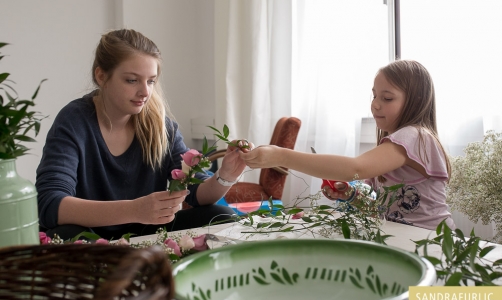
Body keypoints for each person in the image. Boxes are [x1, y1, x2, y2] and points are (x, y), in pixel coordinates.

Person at [36, 29, 252, 240]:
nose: (145, 92)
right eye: (132, 80)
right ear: (101, 76)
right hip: (92, 236)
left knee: (222, 216)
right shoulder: (74, 121)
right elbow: (49, 203)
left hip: (146, 234)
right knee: (63, 236)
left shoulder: (160, 125)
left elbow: (196, 193)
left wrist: (226, 175)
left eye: (151, 81)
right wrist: (133, 210)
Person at [240, 60, 455, 230]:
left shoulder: (415, 136)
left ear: (415, 101)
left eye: (387, 98)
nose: (375, 104)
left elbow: (355, 169)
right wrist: (351, 196)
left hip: (432, 243)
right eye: (374, 95)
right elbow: (381, 210)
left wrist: (281, 156)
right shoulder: (392, 147)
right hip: (403, 239)